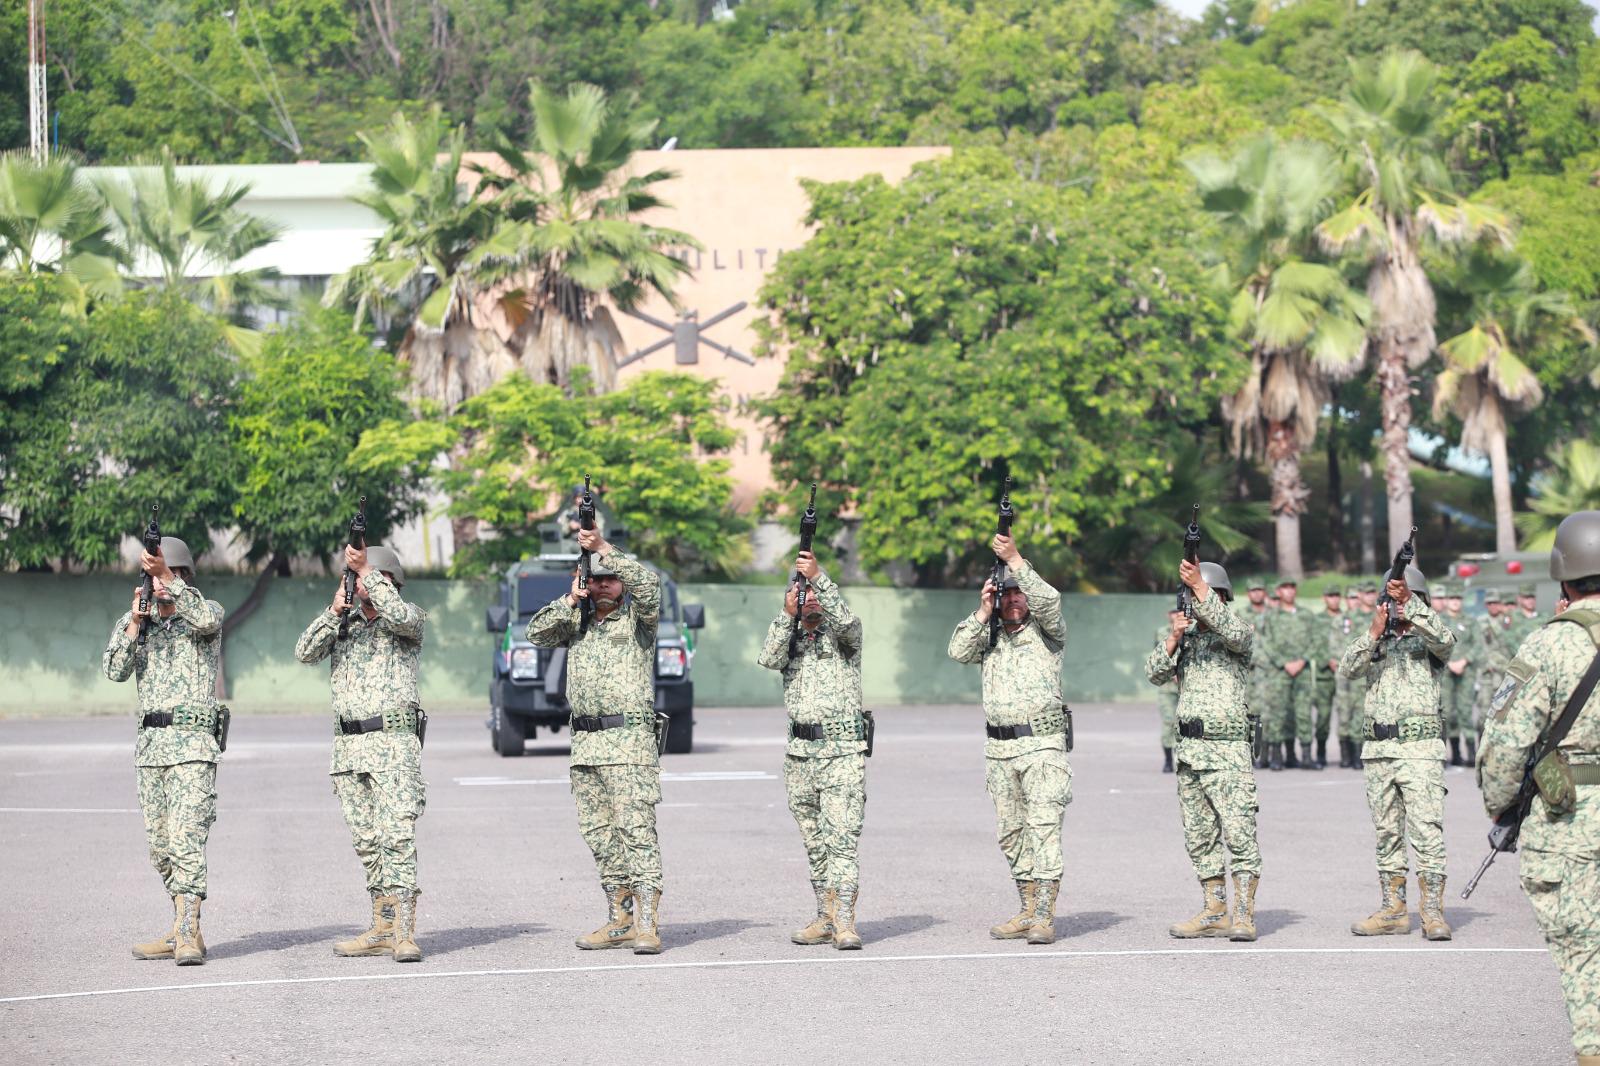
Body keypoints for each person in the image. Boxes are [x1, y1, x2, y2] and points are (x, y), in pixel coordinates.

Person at [1478, 511, 1600, 1065]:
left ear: (1563, 575)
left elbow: (1503, 745)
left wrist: (1504, 808)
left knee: (1583, 951)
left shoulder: (1547, 646)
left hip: (1571, 817)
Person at [525, 526, 666, 954]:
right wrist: (571, 599)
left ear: (620, 582)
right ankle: (619, 918)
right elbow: (536, 633)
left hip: (629, 745)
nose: (604, 584)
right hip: (586, 747)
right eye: (596, 577)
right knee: (601, 837)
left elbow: (651, 585)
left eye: (610, 578)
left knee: (636, 834)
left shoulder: (639, 620)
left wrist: (603, 549)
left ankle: (648, 924)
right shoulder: (577, 621)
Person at [295, 544, 428, 963]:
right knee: (368, 842)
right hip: (349, 749)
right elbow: (304, 653)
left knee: (397, 838)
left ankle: (405, 933)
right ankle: (383, 926)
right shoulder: (343, 624)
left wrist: (366, 572)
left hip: (392, 746)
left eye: (374, 578)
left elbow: (403, 617)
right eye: (355, 577)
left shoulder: (407, 619)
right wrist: (334, 610)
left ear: (390, 583)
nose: (363, 585)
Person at [103, 536, 224, 966]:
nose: (156, 586)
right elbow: (115, 670)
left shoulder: (202, 615)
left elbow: (207, 619)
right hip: (151, 751)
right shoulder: (141, 620)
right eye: (151, 578)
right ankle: (180, 927)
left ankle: (189, 933)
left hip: (192, 748)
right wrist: (135, 624)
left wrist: (166, 578)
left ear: (181, 577)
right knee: (161, 847)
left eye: (165, 576)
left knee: (187, 841)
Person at [948, 532, 1072, 946]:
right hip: (999, 750)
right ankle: (1026, 907)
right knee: (1011, 833)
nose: (1015, 600)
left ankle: (1044, 916)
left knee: (1043, 829)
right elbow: (957, 651)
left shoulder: (1048, 632)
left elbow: (1050, 601)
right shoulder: (990, 637)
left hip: (1042, 747)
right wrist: (983, 612)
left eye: (1019, 594)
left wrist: (1016, 559)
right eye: (1007, 595)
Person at [1145, 560, 1261, 941]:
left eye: (1206, 596)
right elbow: (1154, 672)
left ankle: (1243, 914)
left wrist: (1200, 588)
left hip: (1227, 749)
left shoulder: (1236, 631)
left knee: (1240, 833)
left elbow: (1235, 634)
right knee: (1199, 834)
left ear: (1221, 598)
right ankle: (1214, 910)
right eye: (1191, 597)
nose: (1196, 603)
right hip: (1190, 749)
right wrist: (1174, 638)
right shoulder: (1186, 637)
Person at [757, 550, 868, 950]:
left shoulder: (843, 639)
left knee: (841, 840)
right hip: (800, 754)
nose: (812, 597)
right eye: (804, 591)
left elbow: (848, 623)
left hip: (842, 753)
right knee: (814, 842)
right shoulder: (790, 638)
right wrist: (787, 614)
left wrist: (819, 577)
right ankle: (825, 915)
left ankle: (845, 923)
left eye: (817, 591)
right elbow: (768, 657)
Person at [1340, 566, 1455, 940]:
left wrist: (1412, 606)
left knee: (1426, 831)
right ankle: (1393, 909)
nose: (1400, 607)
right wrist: (1374, 632)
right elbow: (1348, 669)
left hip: (1420, 750)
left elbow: (1446, 641)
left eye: (1408, 600)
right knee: (1387, 833)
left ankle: (1433, 912)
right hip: (1378, 751)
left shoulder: (1430, 640)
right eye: (1393, 600)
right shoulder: (1377, 640)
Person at [1260, 579, 1318, 770]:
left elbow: (1315, 640)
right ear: (1278, 591)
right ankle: (1277, 756)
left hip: (1302, 669)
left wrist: (1302, 660)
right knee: (1278, 712)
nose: (1289, 591)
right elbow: (1266, 642)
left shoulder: (1307, 615)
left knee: (1303, 712)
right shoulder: (1271, 617)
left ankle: (1307, 756)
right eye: (1285, 588)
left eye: (1292, 587)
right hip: (1280, 671)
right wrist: (1283, 663)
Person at [1437, 583, 1476, 765]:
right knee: (1446, 713)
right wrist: (1450, 662)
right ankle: (1450, 753)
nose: (1455, 602)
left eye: (1458, 599)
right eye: (1452, 599)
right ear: (1446, 600)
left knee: (1465, 711)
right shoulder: (1439, 620)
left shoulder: (1470, 621)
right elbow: (1434, 644)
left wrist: (1464, 660)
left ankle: (1470, 752)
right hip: (1445, 671)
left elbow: (1479, 645)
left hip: (1465, 671)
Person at [1155, 610, 1185, 773]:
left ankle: (1181, 758)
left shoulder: (1192, 630)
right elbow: (1163, 652)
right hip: (1168, 686)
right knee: (1168, 722)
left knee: (1185, 724)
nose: (1176, 615)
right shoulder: (1163, 632)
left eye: (1178, 611)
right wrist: (1173, 671)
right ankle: (1167, 759)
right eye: (1173, 612)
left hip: (1185, 686)